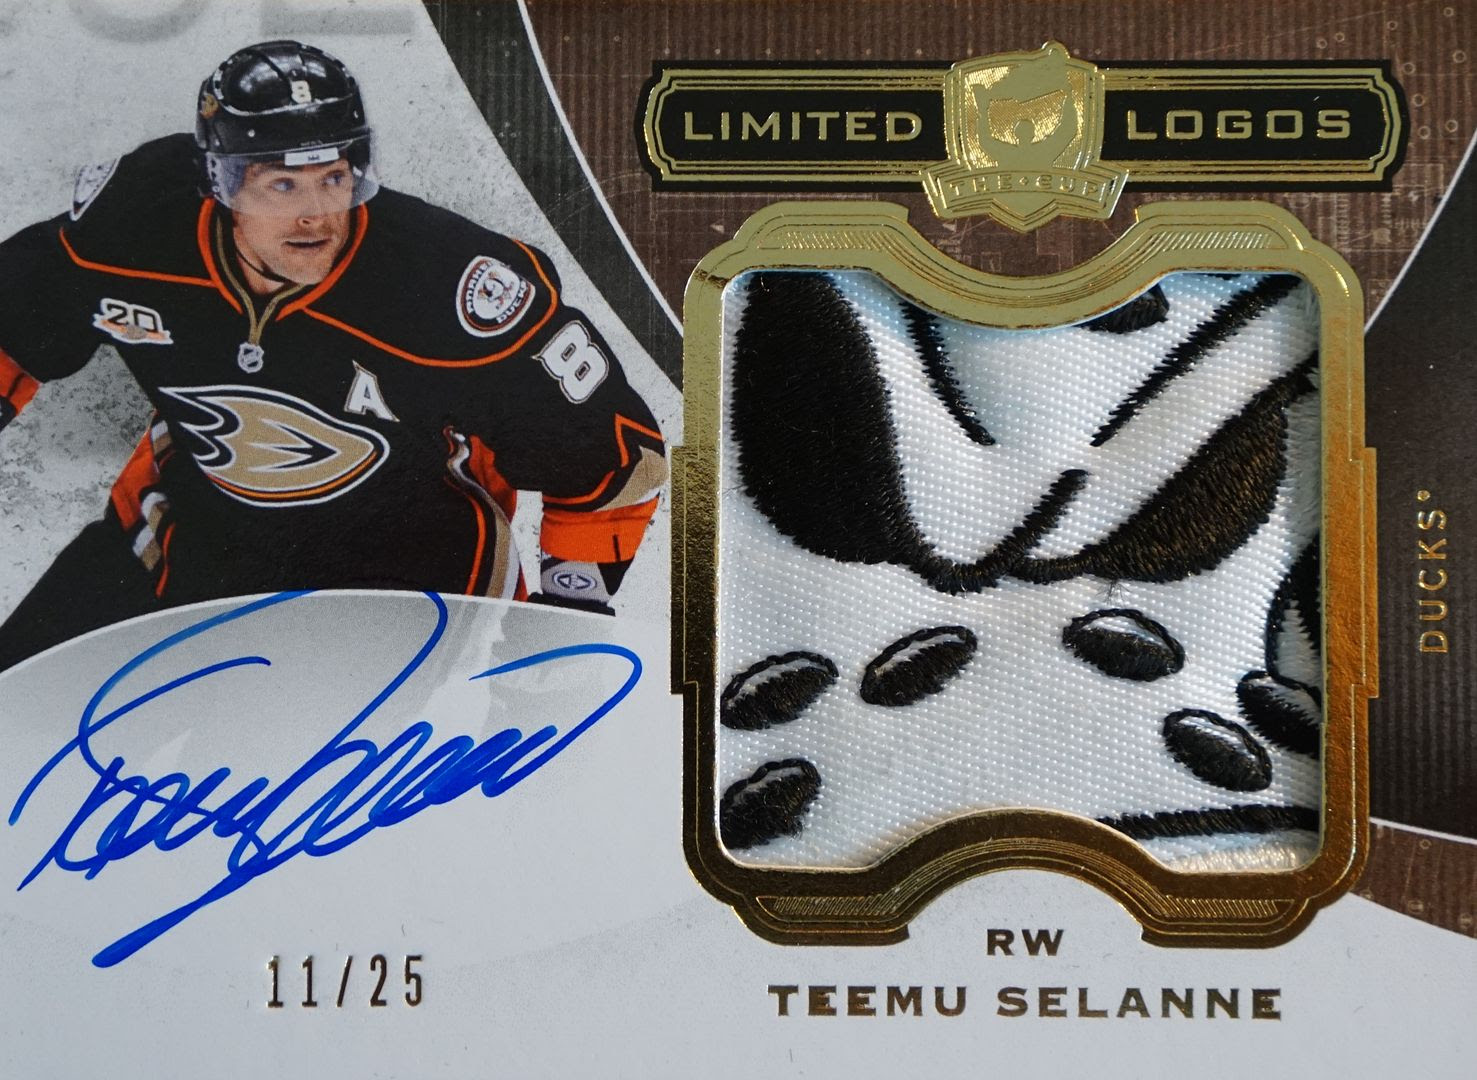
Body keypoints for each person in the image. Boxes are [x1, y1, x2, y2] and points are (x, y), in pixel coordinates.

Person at [0, 40, 666, 669]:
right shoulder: (135, 226)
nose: (315, 214)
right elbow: (16, 323)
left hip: (400, 582)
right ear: (221, 183)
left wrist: (565, 619)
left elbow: (610, 457)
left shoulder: (447, 287)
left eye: (333, 177)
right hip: (183, 532)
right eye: (282, 186)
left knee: (272, 750)